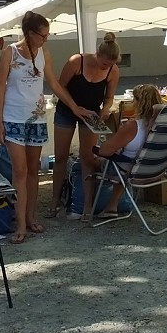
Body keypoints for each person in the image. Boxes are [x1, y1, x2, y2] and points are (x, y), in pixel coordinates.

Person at [0, 11, 93, 244]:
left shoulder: (43, 53)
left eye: (48, 35)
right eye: (42, 35)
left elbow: (54, 84)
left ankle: (30, 217)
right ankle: (20, 225)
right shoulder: (10, 52)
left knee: (33, 171)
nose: (45, 39)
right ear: (30, 33)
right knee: (19, 172)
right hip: (13, 117)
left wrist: (74, 106)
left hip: (36, 118)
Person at [48, 32, 122, 219]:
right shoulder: (76, 61)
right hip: (67, 110)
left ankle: (87, 207)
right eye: (104, 63)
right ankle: (54, 202)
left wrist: (106, 108)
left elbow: (109, 97)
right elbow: (59, 86)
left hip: (91, 115)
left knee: (87, 158)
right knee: (60, 157)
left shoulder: (113, 71)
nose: (106, 67)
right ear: (97, 55)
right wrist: (74, 107)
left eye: (110, 65)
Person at [88, 83, 163, 221]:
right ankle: (112, 205)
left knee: (89, 160)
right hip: (156, 169)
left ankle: (86, 208)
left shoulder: (132, 126)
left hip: (131, 169)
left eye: (134, 99)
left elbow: (104, 151)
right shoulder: (163, 125)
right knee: (123, 163)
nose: (133, 102)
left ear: (140, 103)